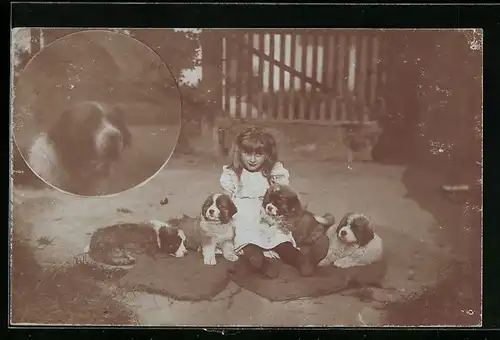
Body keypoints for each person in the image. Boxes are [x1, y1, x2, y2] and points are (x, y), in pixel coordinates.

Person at [220, 126, 314, 278]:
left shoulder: (271, 172)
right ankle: (259, 262)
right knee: (246, 238)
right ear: (239, 153)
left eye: (258, 154)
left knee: (279, 237)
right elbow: (226, 199)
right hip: (242, 216)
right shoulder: (233, 173)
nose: (252, 159)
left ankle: (298, 259)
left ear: (267, 155)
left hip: (267, 214)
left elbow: (285, 193)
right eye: (247, 153)